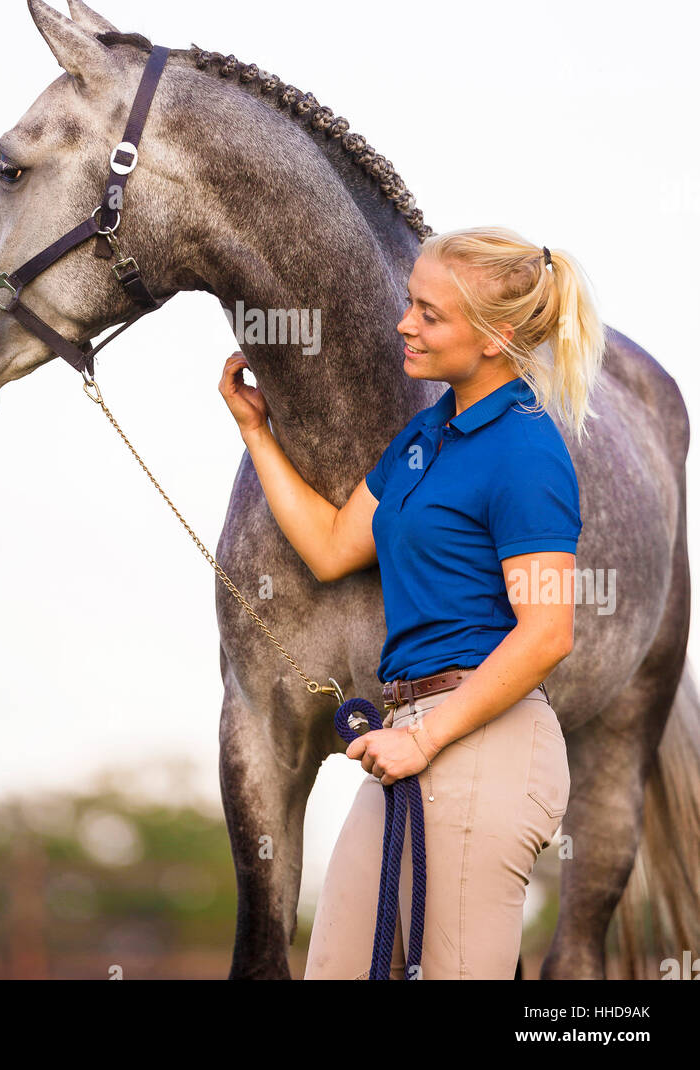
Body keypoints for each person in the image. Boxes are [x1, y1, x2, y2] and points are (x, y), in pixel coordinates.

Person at [217, 225, 606, 980]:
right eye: (410, 303)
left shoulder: (528, 451)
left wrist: (425, 741)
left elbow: (548, 632)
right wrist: (255, 432)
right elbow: (332, 545)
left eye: (431, 313)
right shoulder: (427, 434)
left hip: (483, 743)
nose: (406, 323)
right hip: (406, 736)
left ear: (495, 338)